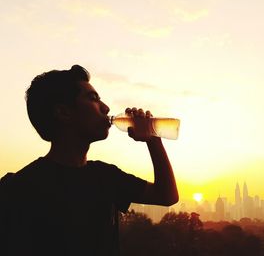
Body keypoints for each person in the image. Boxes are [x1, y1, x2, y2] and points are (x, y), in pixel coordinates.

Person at [0, 65, 178, 256]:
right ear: (64, 113)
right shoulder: (16, 189)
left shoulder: (106, 176)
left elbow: (166, 195)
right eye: (93, 99)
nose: (106, 108)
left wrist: (153, 138)